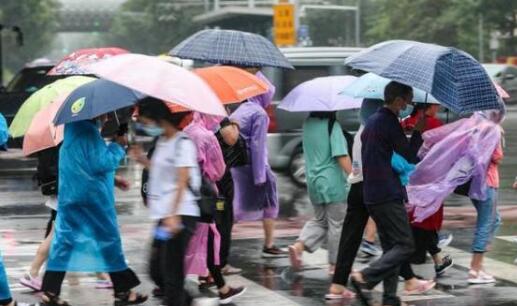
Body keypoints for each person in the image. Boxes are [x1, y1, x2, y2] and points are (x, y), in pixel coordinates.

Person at [39, 114, 146, 306]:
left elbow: (81, 164)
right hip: (93, 199)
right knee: (109, 241)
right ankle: (123, 291)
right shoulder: (88, 132)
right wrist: (118, 146)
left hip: (71, 196)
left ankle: (50, 290)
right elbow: (102, 163)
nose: (106, 117)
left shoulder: (71, 131)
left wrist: (114, 179)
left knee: (64, 242)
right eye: (104, 114)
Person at [350, 82, 424, 306]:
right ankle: (365, 276)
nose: (409, 106)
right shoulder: (389, 122)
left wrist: (404, 133)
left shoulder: (372, 121)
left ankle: (390, 298)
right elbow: (410, 155)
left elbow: (385, 150)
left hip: (371, 193)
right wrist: (419, 130)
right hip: (387, 193)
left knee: (392, 247)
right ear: (399, 100)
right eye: (408, 101)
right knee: (405, 245)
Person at [130, 99, 200, 306]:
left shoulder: (183, 143)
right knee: (155, 270)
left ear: (157, 119)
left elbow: (181, 180)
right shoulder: (162, 141)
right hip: (164, 217)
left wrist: (173, 215)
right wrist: (143, 161)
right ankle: (187, 300)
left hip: (181, 215)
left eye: (144, 121)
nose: (144, 126)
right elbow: (162, 173)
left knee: (171, 273)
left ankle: (179, 300)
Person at [183, 112, 246, 303]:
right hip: (204, 196)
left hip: (184, 196)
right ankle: (220, 287)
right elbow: (219, 171)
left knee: (192, 239)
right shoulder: (207, 136)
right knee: (210, 238)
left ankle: (221, 286)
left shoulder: (185, 132)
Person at [229, 71, 286, 258]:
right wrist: (261, 175)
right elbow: (258, 146)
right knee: (270, 202)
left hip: (237, 166)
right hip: (253, 166)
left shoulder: (240, 110)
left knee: (234, 208)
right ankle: (269, 244)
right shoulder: (259, 113)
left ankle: (219, 250)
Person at [288, 111, 352, 274]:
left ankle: (299, 246)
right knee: (336, 224)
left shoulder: (307, 124)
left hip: (313, 182)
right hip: (333, 183)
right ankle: (335, 264)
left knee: (321, 220)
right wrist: (354, 175)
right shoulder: (332, 126)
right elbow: (341, 155)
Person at [468, 111, 503, 284]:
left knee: (494, 220)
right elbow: (496, 156)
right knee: (486, 223)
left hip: (475, 182)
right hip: (488, 182)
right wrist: (499, 137)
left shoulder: (474, 128)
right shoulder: (492, 130)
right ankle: (475, 269)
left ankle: (479, 265)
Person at [215, 118, 247, 275]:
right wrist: (235, 126)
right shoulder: (219, 117)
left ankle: (211, 267)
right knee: (223, 223)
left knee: (212, 224)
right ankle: (220, 263)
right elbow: (232, 139)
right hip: (221, 182)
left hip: (208, 182)